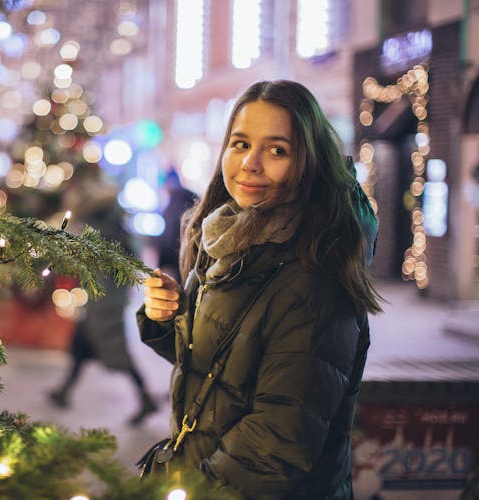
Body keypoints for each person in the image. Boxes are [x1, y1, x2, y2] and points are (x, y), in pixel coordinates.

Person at [137, 80, 381, 498]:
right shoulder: (230, 241)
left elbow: (278, 440)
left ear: (308, 162)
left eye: (277, 150)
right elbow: (220, 369)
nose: (250, 163)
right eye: (240, 143)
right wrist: (169, 317)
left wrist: (192, 488)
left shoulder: (314, 276)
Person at [49, 170, 158, 426]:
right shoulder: (105, 220)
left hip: (107, 298)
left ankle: (145, 398)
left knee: (113, 347)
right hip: (101, 295)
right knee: (81, 344)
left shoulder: (103, 223)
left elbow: (118, 258)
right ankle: (64, 390)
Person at [155, 168, 198, 283]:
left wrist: (162, 261)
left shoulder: (173, 203)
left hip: (179, 252)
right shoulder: (192, 197)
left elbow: (168, 234)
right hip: (192, 253)